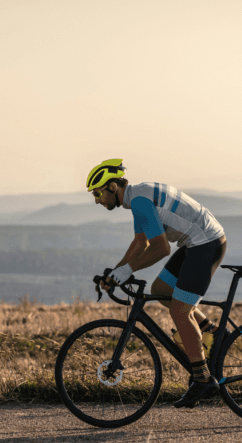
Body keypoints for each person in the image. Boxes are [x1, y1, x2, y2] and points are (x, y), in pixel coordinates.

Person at [87, 158, 227, 408]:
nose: (97, 200)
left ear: (111, 187)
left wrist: (127, 270)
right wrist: (116, 272)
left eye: (97, 193)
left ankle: (203, 378)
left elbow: (161, 248)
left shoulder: (139, 201)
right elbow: (140, 243)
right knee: (161, 290)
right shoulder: (137, 198)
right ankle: (213, 333)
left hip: (206, 243)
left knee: (179, 311)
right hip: (194, 243)